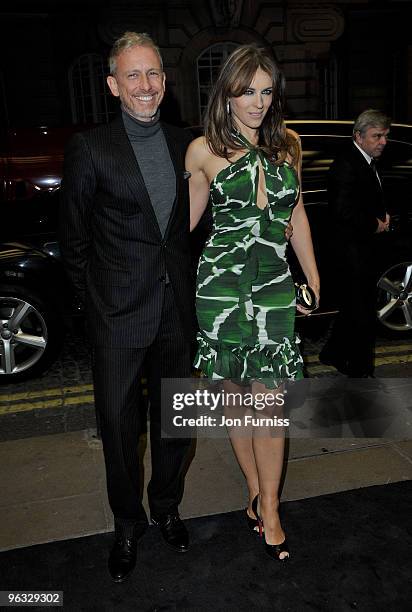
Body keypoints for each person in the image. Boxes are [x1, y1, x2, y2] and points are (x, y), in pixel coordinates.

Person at [59, 32, 195, 583]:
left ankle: (166, 505)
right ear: (114, 84)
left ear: (165, 82)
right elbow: (73, 243)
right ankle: (127, 522)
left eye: (154, 75)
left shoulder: (188, 144)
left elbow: (192, 232)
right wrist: (95, 307)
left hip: (177, 312)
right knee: (118, 430)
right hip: (116, 316)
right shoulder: (91, 148)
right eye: (133, 75)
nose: (146, 85)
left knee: (177, 422)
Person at [185, 44, 320, 561]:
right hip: (220, 291)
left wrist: (312, 274)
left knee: (270, 409)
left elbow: (298, 216)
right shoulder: (201, 151)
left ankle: (271, 509)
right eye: (247, 92)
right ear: (226, 94)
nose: (257, 102)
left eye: (266, 92)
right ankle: (257, 495)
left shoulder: (289, 145)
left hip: (273, 291)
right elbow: (186, 226)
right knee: (239, 404)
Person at [319, 109, 391, 377]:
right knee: (362, 312)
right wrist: (375, 223)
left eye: (385, 136)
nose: (383, 141)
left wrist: (382, 214)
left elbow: (367, 197)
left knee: (353, 307)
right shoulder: (346, 164)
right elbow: (343, 210)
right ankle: (360, 369)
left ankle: (333, 353)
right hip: (351, 251)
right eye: (377, 136)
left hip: (361, 248)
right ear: (358, 136)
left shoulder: (366, 160)